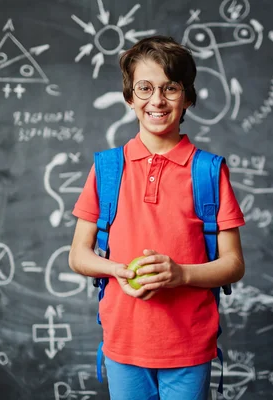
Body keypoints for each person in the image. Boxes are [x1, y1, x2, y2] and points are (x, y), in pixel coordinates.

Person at [68, 35, 245, 400]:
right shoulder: (107, 169)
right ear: (130, 98)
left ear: (188, 98)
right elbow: (78, 256)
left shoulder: (208, 172)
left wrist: (182, 274)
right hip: (123, 342)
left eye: (171, 88)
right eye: (144, 88)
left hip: (189, 344)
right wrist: (117, 270)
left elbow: (233, 264)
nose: (157, 100)